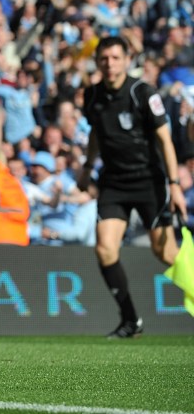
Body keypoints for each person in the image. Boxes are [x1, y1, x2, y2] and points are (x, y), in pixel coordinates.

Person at [78, 35, 188, 338]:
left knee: (165, 253)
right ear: (97, 61)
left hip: (148, 181)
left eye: (115, 58)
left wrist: (175, 184)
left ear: (127, 59)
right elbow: (96, 134)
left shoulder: (142, 93)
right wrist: (87, 168)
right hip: (113, 182)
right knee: (104, 248)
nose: (109, 64)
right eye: (104, 58)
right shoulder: (92, 96)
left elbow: (165, 140)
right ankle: (130, 320)